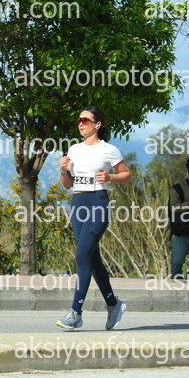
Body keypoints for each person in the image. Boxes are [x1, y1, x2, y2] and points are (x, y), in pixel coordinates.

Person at [56, 106, 131, 331]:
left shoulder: (109, 150)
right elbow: (68, 185)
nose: (81, 124)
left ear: (97, 125)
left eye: (85, 120)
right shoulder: (74, 149)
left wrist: (110, 177)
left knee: (81, 255)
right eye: (79, 120)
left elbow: (127, 174)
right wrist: (63, 170)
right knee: (92, 259)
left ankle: (75, 312)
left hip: (98, 203)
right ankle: (113, 304)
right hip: (78, 203)